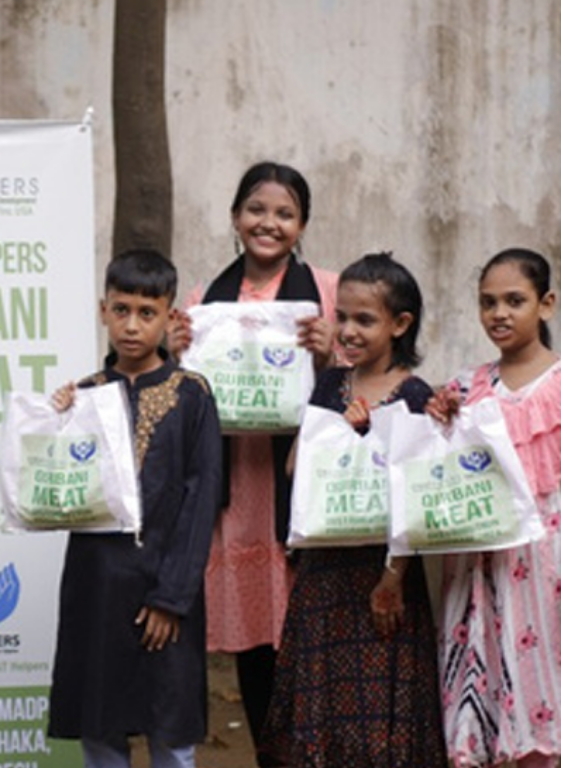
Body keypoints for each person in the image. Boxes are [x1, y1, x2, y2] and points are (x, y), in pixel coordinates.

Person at [169, 161, 338, 763]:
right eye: (257, 210)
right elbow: (183, 400)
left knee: (309, 637)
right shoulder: (204, 301)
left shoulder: (327, 291)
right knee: (256, 644)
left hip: (303, 490)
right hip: (238, 490)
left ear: (302, 225)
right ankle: (270, 755)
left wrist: (329, 354)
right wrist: (177, 355)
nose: (269, 223)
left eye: (285, 213)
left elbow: (363, 380)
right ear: (235, 217)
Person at [262, 253, 445, 766]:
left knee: (380, 716)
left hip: (381, 579)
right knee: (323, 716)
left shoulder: (415, 397)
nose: (347, 331)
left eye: (364, 319)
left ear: (400, 324)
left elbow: (415, 502)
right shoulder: (329, 386)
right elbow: (296, 468)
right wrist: (338, 432)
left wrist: (392, 581)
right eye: (341, 316)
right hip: (323, 577)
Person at [46, 249, 223, 768]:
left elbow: (202, 499)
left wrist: (172, 598)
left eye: (147, 313)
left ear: (170, 318)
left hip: (165, 587)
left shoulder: (192, 395)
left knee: (170, 727)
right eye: (121, 310)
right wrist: (54, 423)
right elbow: (56, 492)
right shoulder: (85, 395)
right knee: (100, 726)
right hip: (97, 586)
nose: (131, 325)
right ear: (103, 311)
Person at [427, 248, 561, 768]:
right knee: (476, 687)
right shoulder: (466, 387)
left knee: (541, 682)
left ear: (546, 304)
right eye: (488, 302)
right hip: (477, 566)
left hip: (544, 567)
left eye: (514, 301)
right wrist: (440, 419)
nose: (499, 313)